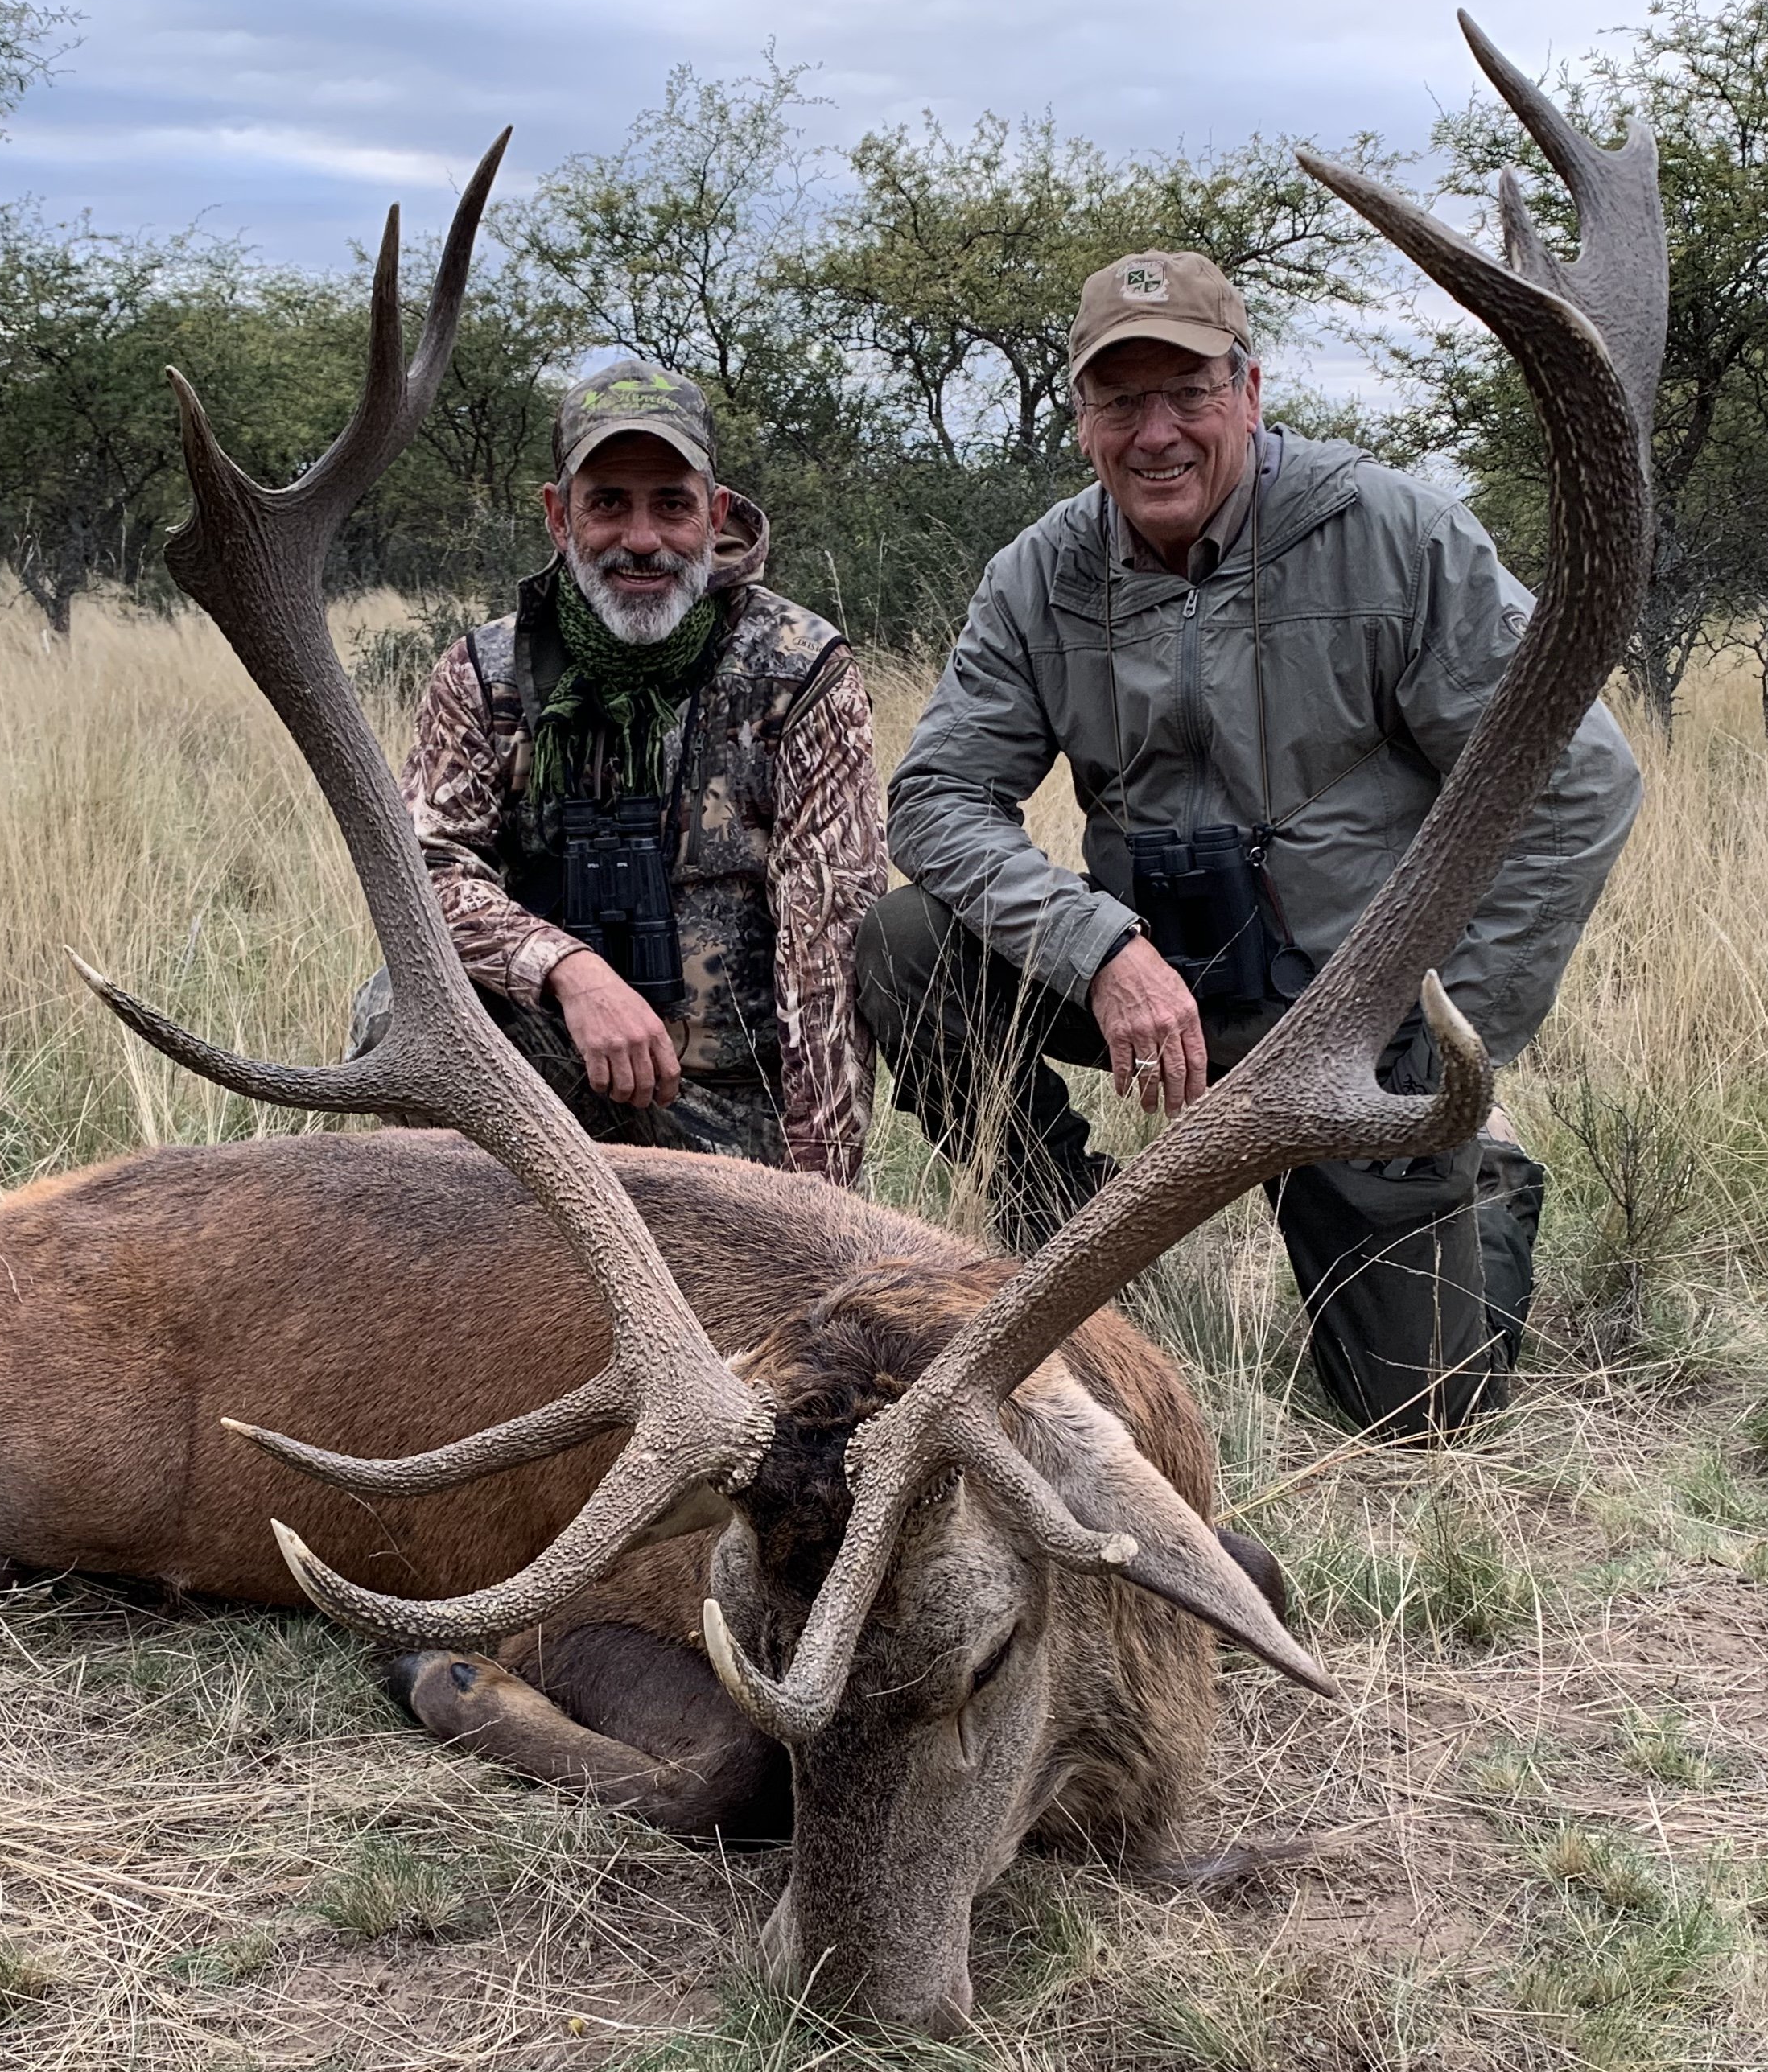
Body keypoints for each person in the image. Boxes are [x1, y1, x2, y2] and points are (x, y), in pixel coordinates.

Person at [858, 251, 1641, 1435]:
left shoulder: (1392, 535)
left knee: (1420, 1411)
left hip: (1349, 1027)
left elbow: (1582, 781)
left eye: (1189, 391)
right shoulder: (1041, 574)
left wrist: (1439, 1037)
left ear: (1252, 390)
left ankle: (1480, 1178)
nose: (1155, 433)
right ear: (1081, 420)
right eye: (1119, 401)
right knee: (904, 946)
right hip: (1157, 987)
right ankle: (1065, 1256)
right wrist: (1100, 953)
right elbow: (934, 802)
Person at [352, 360, 886, 1184]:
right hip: (551, 1085)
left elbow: (825, 952)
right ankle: (478, 1261)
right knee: (400, 1007)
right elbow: (423, 875)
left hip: (733, 1116)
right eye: (608, 504)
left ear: (714, 514)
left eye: (671, 505)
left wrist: (824, 1203)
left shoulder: (799, 668)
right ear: (559, 516)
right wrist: (569, 971)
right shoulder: (485, 671)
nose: (642, 540)